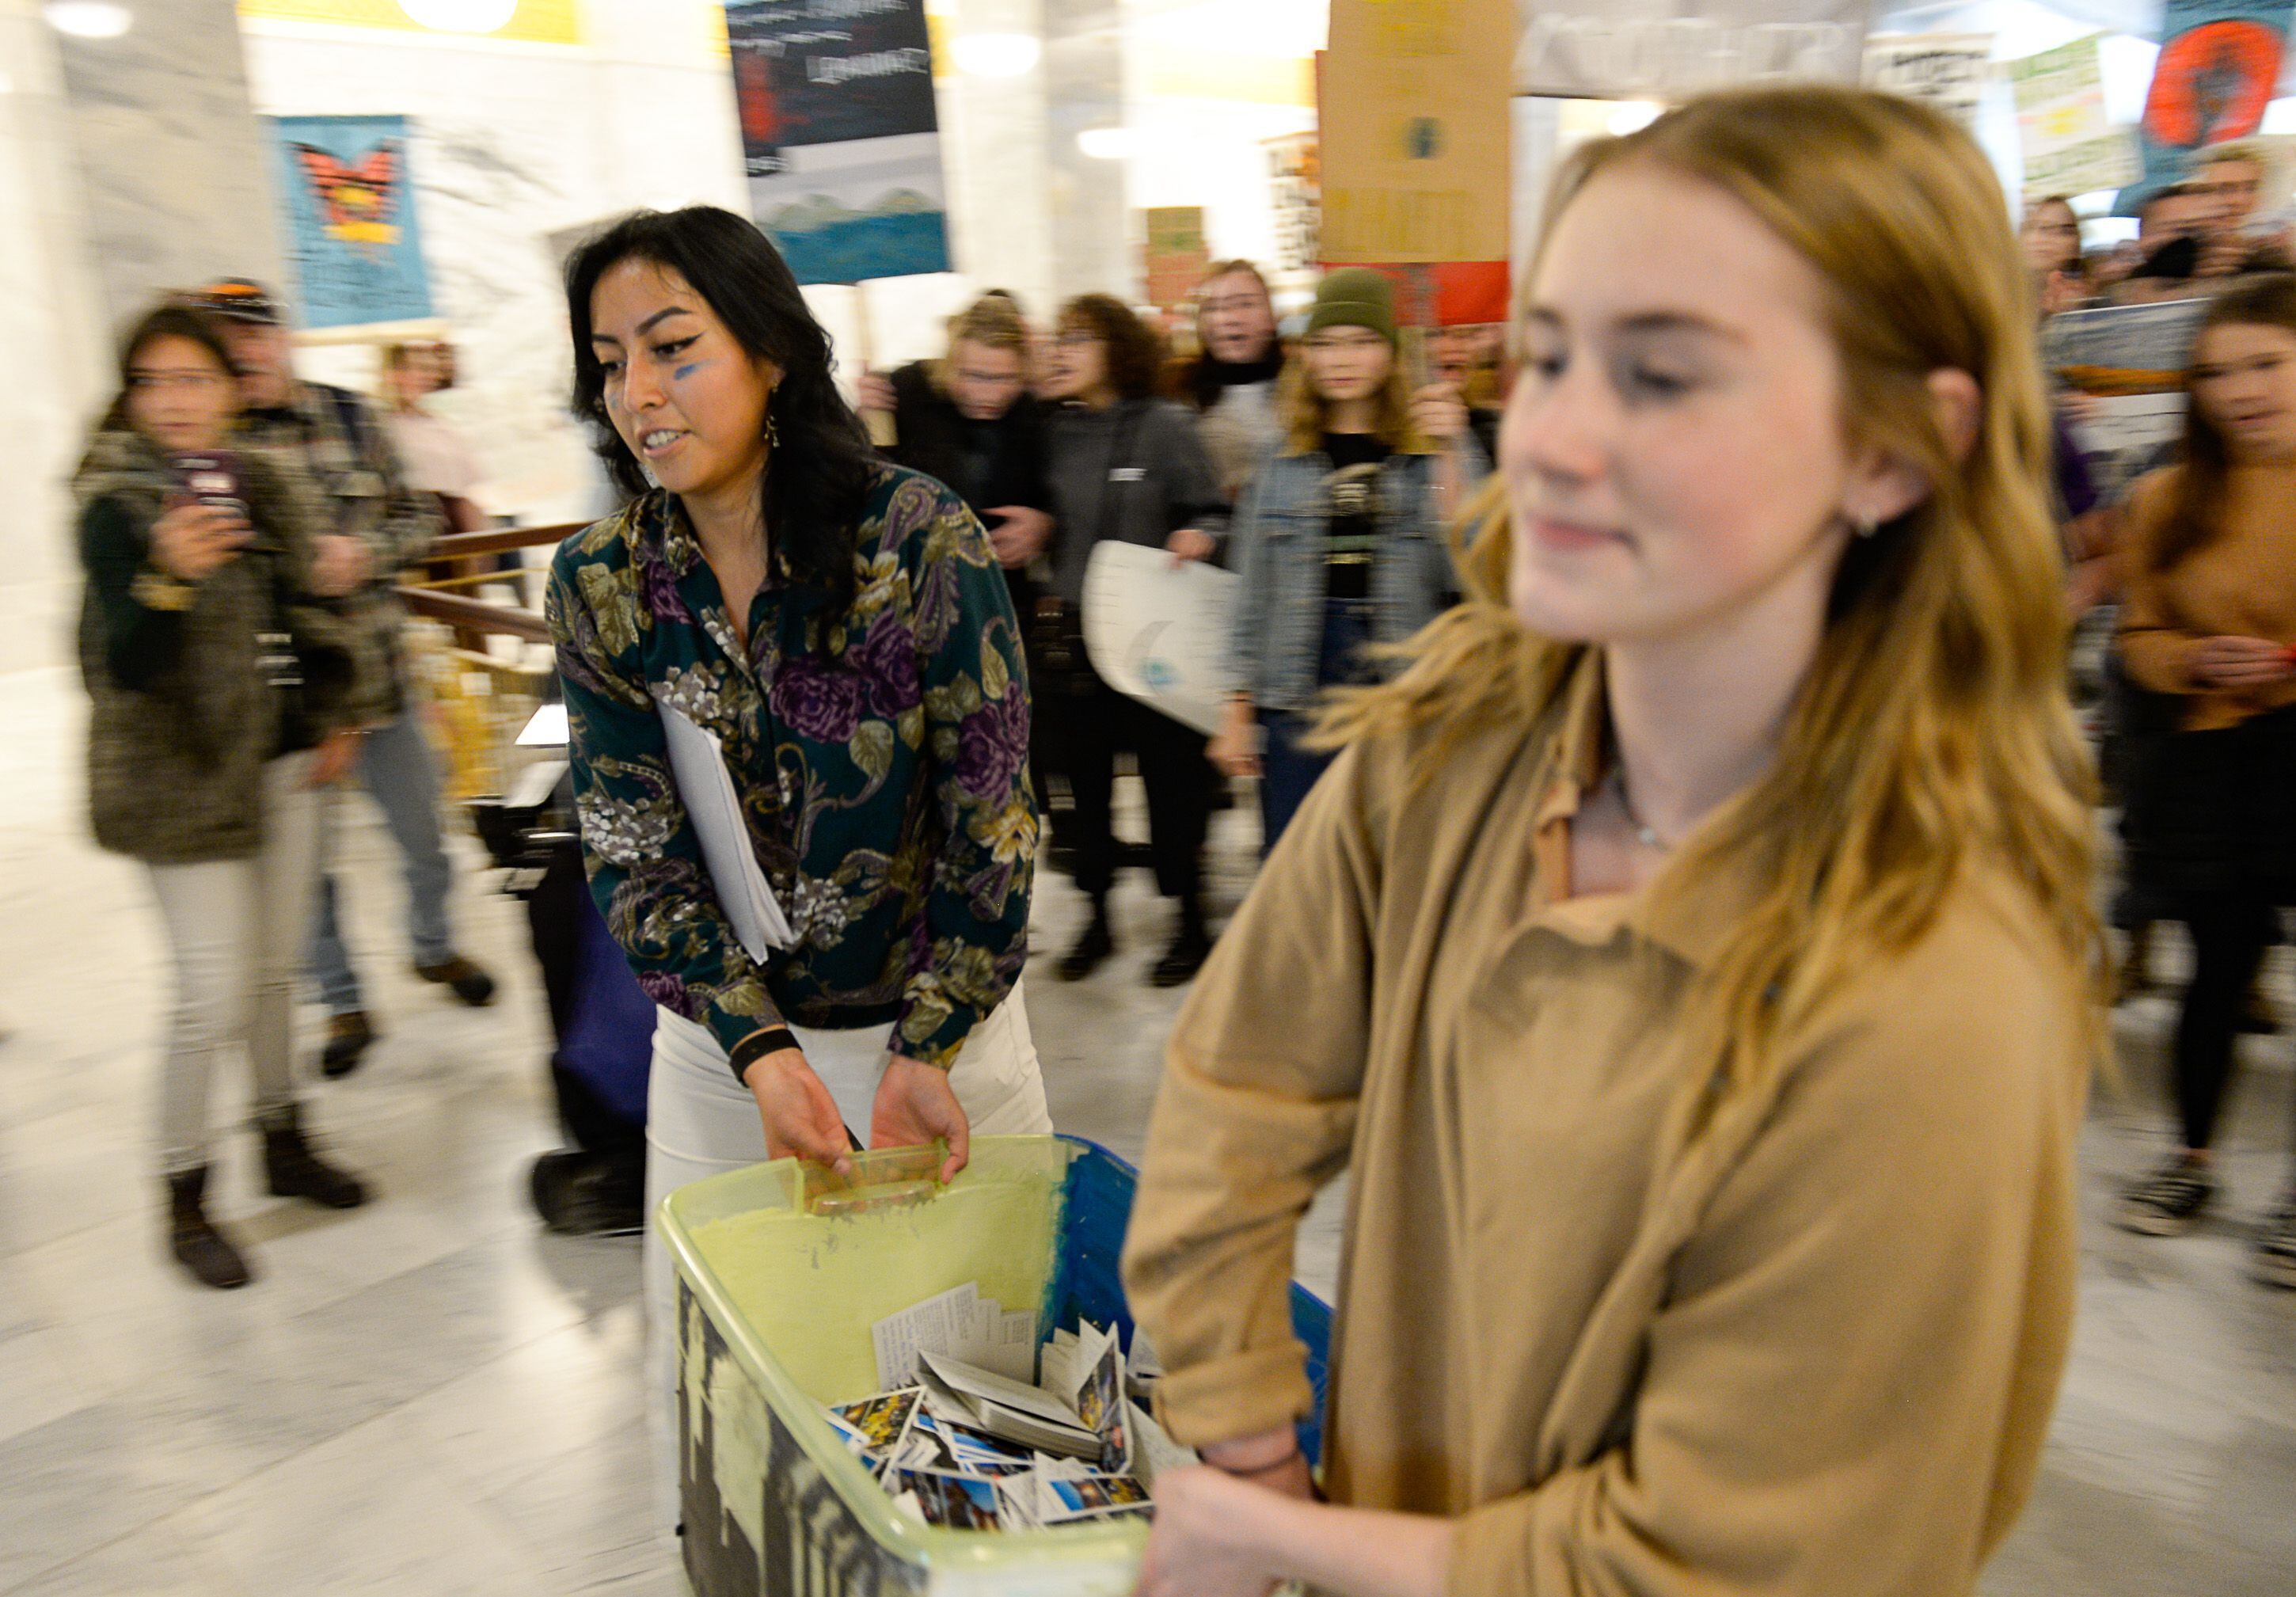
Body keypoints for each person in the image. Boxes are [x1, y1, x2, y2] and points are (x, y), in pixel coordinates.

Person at [1122, 86, 2098, 1596]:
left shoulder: (1931, 987)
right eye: (1555, 356)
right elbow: (1239, 1083)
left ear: (1899, 449)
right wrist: (1248, 1429)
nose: (1559, 436)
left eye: (1661, 376)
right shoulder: (1462, 747)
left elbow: (1729, 1567)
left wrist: (1281, 1539)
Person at [545, 206, 1054, 1523]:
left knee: (972, 1398)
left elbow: (994, 811)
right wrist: (759, 1054)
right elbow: (633, 842)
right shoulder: (605, 582)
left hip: (943, 1048)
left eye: (673, 347)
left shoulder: (914, 538)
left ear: (771, 349)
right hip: (731, 1059)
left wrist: (931, 1043)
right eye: (610, 362)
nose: (640, 394)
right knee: (741, 1395)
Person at [75, 303, 375, 1290]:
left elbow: (314, 610)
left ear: (228, 390)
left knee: (273, 975)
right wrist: (167, 573)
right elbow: (120, 660)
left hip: (286, 764)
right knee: (210, 988)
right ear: (129, 395)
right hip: (182, 779)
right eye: (152, 382)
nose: (172, 402)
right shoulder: (114, 504)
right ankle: (184, 1191)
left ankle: (282, 1140)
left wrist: (339, 710)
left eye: (192, 379)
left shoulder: (268, 481)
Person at [193, 280, 496, 1080]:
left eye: (253, 335)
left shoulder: (353, 418)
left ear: (283, 338)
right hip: (286, 704)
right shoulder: (205, 449)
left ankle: (432, 947)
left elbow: (416, 519)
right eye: (222, 340)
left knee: (426, 836)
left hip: (379, 680)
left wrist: (364, 555)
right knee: (308, 869)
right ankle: (340, 1001)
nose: (241, 353)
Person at [2111, 275, 2296, 1286]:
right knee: (2213, 972)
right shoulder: (2168, 495)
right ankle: (2189, 1159)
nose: (2239, 390)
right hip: (2212, 758)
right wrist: (2190, 662)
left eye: (2264, 363)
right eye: (2216, 372)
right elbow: (2138, 634)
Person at [1209, 268, 1481, 851]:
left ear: (1391, 354)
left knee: (1395, 858)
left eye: (1361, 341)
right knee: (1296, 861)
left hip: (1400, 680)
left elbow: (1469, 561)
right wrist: (1236, 708)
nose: (1342, 359)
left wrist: (1454, 449)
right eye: (1326, 343)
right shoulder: (1280, 459)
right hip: (1297, 679)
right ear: (1305, 355)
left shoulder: (1428, 451)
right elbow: (1250, 589)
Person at [1040, 294, 1230, 986]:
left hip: (1153, 638)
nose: (1060, 350)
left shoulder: (1166, 425)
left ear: (1118, 347)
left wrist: (1202, 533)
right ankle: (1096, 916)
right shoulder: (1053, 432)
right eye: (1057, 337)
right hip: (1070, 639)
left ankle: (1190, 919)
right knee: (1082, 789)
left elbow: (1213, 507)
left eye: (1077, 338)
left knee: (1172, 784)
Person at [858, 295, 1064, 848]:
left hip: (1003, 605)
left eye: (1004, 379)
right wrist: (861, 418)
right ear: (951, 360)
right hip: (916, 608)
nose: (988, 392)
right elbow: (867, 479)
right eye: (974, 375)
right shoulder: (905, 393)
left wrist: (1043, 525)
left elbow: (1060, 497)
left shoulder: (1034, 416)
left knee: (1001, 748)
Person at [1177, 260, 1287, 500]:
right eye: (1213, 308)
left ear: (1272, 317)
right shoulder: (1181, 403)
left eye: (1245, 304)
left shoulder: (1302, 392)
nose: (1229, 318)